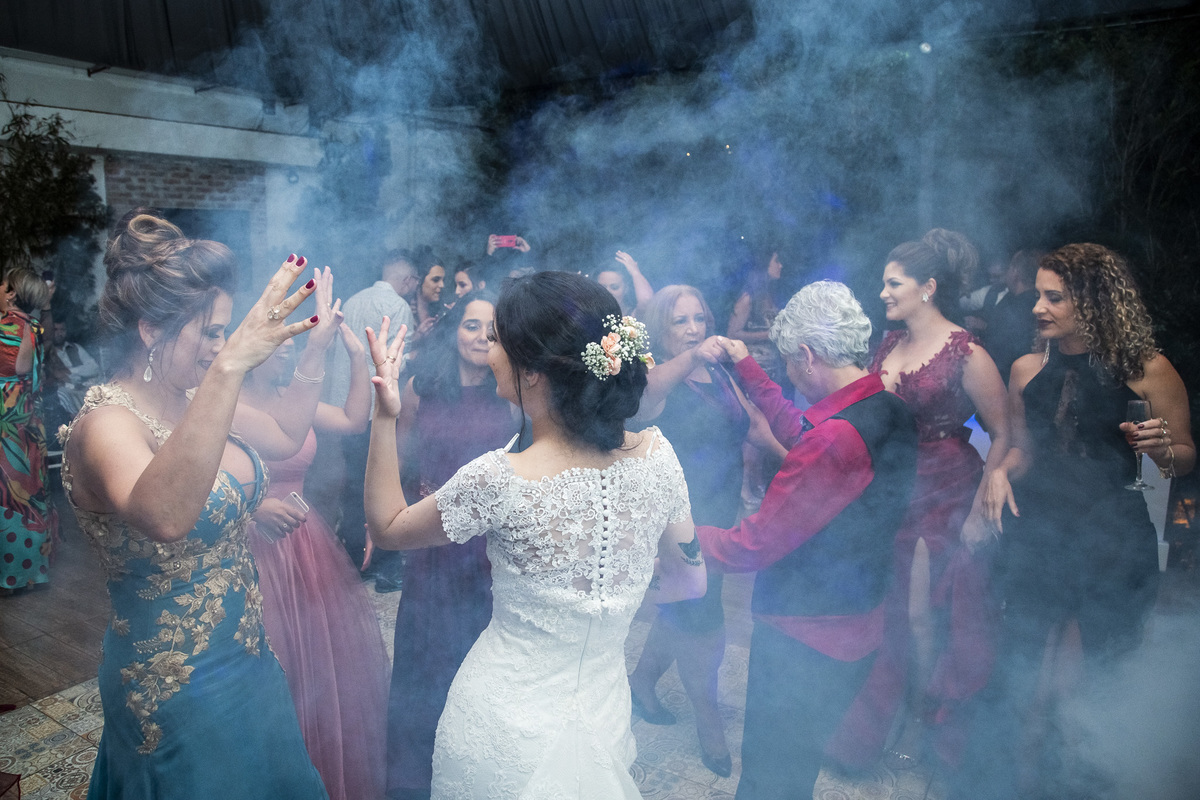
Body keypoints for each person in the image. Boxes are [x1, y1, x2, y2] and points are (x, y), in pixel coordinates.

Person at [364, 270, 707, 798]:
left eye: (498, 340)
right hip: (602, 712)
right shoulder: (660, 458)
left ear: (534, 374)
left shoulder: (500, 479)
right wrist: (616, 586)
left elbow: (386, 528)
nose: (489, 350)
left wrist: (384, 418)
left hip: (502, 725)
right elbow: (692, 584)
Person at [57, 212, 329, 798]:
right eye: (211, 333)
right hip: (173, 684)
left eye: (226, 333)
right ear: (152, 329)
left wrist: (317, 348)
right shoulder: (106, 423)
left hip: (250, 659)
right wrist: (231, 368)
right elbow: (166, 517)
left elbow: (283, 434)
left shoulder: (192, 398)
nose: (221, 347)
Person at [960, 243, 1194, 799]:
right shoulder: (1025, 368)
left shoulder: (1148, 369)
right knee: (1013, 666)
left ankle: (1076, 787)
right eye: (1038, 294)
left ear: (1093, 301)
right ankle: (989, 783)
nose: (1038, 307)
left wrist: (1165, 448)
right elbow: (1023, 449)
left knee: (1100, 677)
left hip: (1111, 538)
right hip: (1037, 533)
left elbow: (1184, 454)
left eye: (1053, 297)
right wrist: (998, 474)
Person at [697, 280, 918, 798]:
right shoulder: (887, 406)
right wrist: (747, 367)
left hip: (805, 637)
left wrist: (680, 535)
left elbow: (750, 546)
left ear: (807, 354)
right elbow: (806, 431)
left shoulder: (835, 440)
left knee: (770, 781)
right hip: (857, 624)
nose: (790, 375)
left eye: (788, 364)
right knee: (794, 771)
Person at [828, 229, 1011, 771]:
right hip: (888, 487)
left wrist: (984, 503)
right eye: (883, 283)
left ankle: (925, 722)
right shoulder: (886, 345)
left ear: (927, 287)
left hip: (946, 488)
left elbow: (1002, 432)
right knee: (887, 609)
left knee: (929, 613)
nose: (882, 292)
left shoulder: (967, 351)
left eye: (893, 283)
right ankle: (874, 726)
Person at [627, 284, 787, 777]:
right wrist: (694, 353)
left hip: (718, 511)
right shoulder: (648, 377)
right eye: (681, 321)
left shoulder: (716, 372)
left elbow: (753, 422)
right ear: (660, 328)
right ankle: (708, 719)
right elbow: (647, 397)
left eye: (699, 318)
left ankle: (639, 683)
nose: (695, 328)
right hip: (673, 517)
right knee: (702, 614)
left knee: (684, 606)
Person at [240, 283, 391, 800]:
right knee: (273, 664)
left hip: (306, 545)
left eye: (292, 346)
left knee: (319, 666)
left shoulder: (292, 399)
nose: (287, 353)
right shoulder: (228, 403)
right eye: (281, 344)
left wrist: (352, 354)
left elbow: (352, 420)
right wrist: (249, 506)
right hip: (248, 544)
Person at [385, 291, 520, 799]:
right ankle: (412, 775)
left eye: (491, 329)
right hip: (431, 538)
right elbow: (398, 455)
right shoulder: (425, 386)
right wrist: (394, 515)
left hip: (484, 548)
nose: (481, 337)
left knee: (474, 650)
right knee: (425, 651)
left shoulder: (511, 398)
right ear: (454, 331)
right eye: (471, 325)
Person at [326, 250, 418, 587]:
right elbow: (394, 363)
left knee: (354, 486)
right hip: (377, 410)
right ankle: (382, 565)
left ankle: (353, 559)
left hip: (346, 408)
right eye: (414, 282)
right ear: (407, 280)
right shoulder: (399, 306)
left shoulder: (352, 300)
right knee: (383, 487)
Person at [1, 268, 58, 590]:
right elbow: (28, 370)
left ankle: (8, 575)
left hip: (4, 422)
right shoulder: (33, 327)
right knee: (28, 494)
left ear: (11, 294)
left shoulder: (3, 327)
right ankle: (30, 571)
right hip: (29, 422)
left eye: (4, 284)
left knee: (5, 496)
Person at [981, 249, 1042, 385]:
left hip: (1005, 381)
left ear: (1015, 272)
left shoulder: (1016, 307)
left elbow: (1001, 353)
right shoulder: (1036, 301)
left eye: (1009, 267)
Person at [593, 251, 654, 315]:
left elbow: (646, 301)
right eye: (602, 288)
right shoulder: (591, 314)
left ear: (626, 288)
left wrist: (635, 272)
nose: (608, 292)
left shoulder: (632, 315)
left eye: (614, 287)